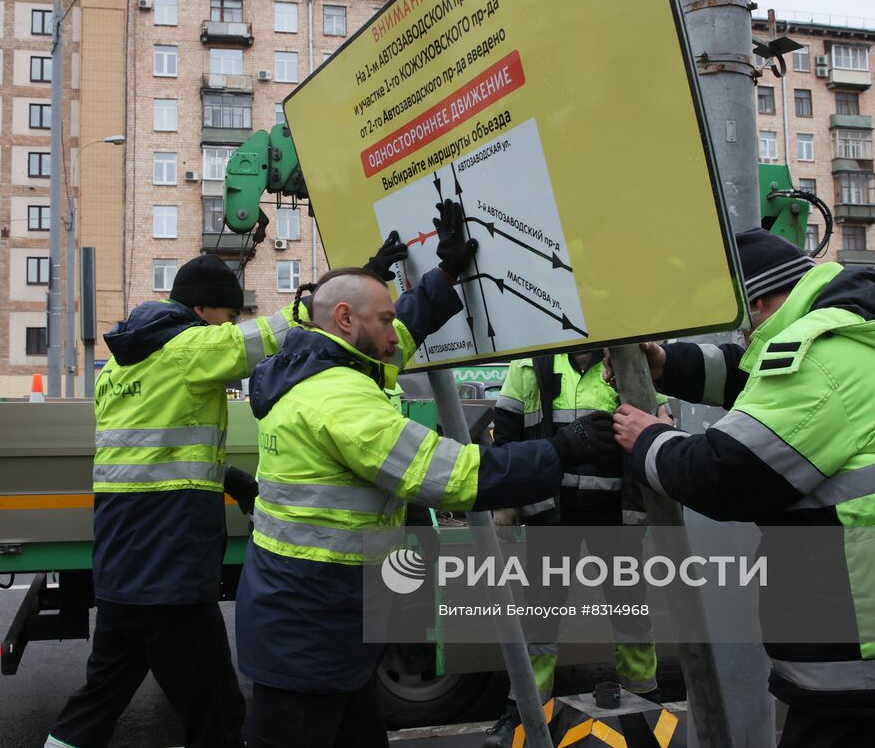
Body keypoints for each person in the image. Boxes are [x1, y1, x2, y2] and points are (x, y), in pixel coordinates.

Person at [610, 228, 875, 748]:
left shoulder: (818, 359)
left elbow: (723, 476)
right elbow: (766, 386)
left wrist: (649, 439)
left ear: (763, 302)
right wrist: (668, 364)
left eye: (743, 324)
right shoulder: (873, 330)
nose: (745, 339)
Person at [44, 235, 451, 748]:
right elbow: (266, 338)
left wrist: (228, 480)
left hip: (120, 561)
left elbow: (153, 456)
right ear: (199, 310)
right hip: (167, 569)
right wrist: (342, 287)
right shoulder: (187, 347)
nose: (228, 326)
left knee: (97, 701)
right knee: (216, 713)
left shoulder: (120, 368)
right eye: (225, 315)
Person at [236, 261, 618, 748]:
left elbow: (400, 331)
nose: (395, 335)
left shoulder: (314, 369)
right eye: (383, 321)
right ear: (346, 320)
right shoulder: (340, 398)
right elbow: (449, 476)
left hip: (313, 615)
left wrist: (445, 276)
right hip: (311, 629)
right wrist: (560, 451)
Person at [481, 351, 662, 747]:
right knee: (540, 619)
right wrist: (506, 502)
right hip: (551, 511)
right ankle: (524, 712)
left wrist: (642, 510)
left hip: (614, 513)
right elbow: (507, 433)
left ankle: (645, 707)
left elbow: (655, 430)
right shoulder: (530, 364)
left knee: (630, 612)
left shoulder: (627, 360)